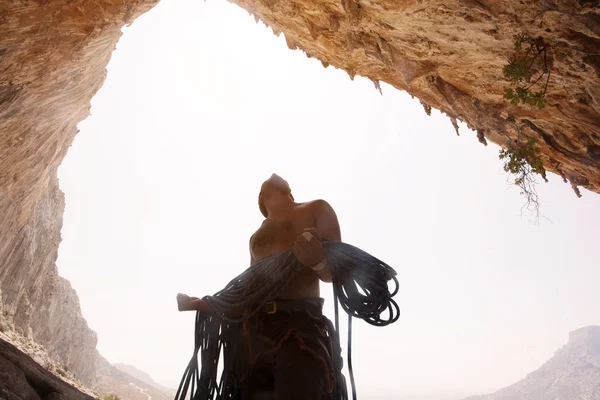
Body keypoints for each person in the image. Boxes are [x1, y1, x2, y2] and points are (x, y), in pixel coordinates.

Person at [177, 173, 343, 400]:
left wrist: (319, 260)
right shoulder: (255, 238)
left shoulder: (317, 209)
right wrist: (206, 304)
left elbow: (335, 273)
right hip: (255, 333)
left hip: (301, 326)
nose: (273, 175)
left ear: (289, 192)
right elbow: (250, 292)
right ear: (261, 199)